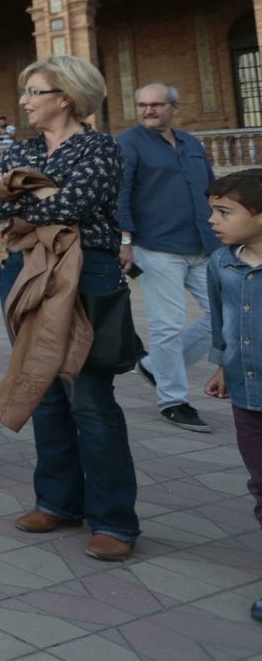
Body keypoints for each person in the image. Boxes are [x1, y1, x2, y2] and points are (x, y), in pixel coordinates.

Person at [0, 54, 139, 562]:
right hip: (24, 274)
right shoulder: (21, 148)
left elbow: (74, 206)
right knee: (43, 388)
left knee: (88, 395)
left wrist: (23, 196)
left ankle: (114, 518)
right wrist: (30, 196)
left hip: (85, 274)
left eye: (34, 92)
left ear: (64, 97)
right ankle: (58, 500)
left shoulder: (100, 148)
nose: (24, 102)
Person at [117, 82, 221, 432]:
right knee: (167, 325)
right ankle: (173, 399)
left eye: (156, 105)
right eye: (142, 104)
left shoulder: (191, 143)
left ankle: (155, 367)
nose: (148, 110)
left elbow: (210, 189)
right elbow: (121, 193)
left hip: (202, 244)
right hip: (156, 246)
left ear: (174, 107)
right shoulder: (128, 143)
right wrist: (125, 240)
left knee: (224, 315)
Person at [200, 169, 262, 623]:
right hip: (247, 394)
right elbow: (222, 319)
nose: (213, 221)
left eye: (225, 212)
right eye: (212, 211)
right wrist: (222, 363)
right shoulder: (220, 263)